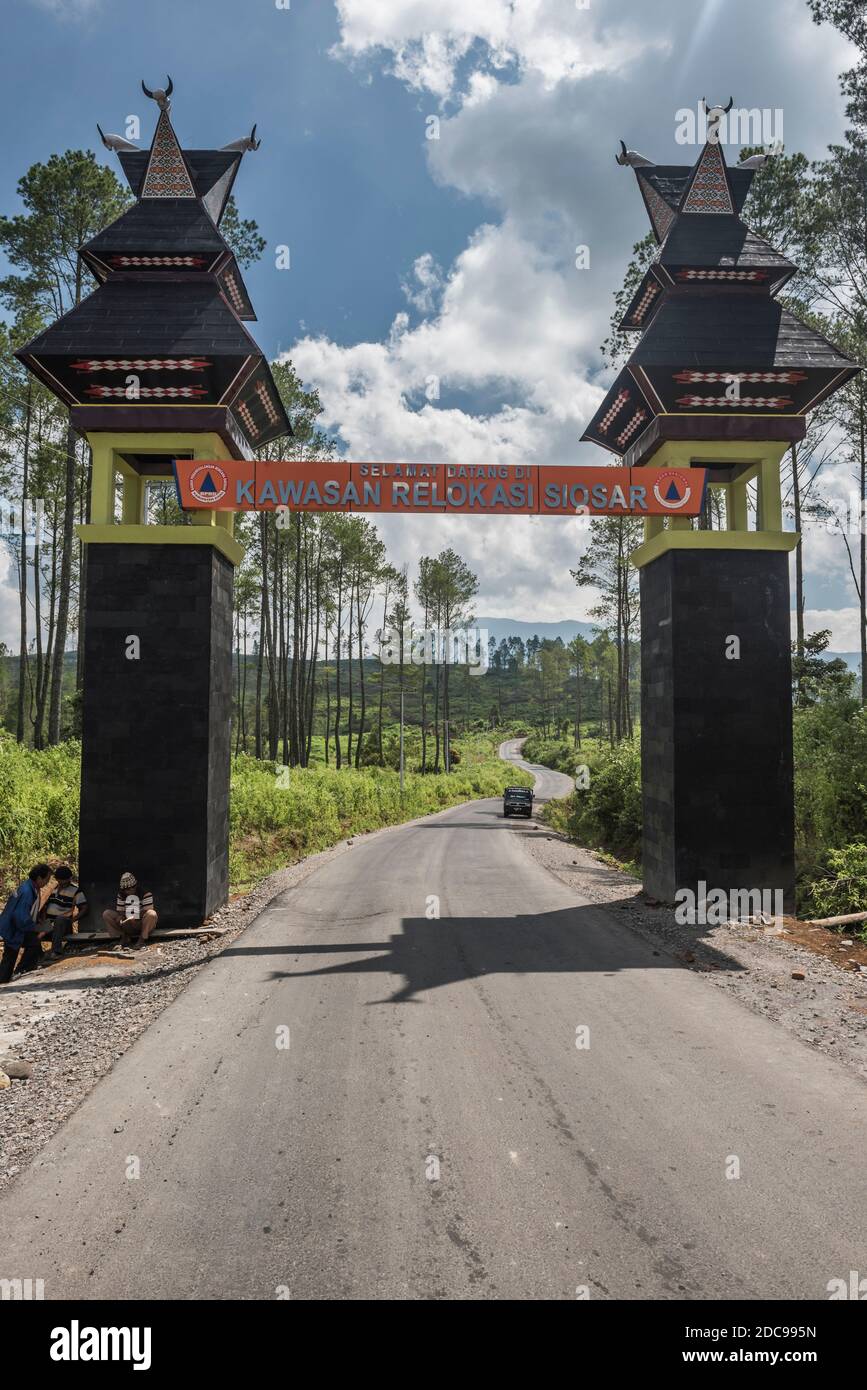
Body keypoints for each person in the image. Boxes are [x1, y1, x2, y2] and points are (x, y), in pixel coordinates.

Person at [0, 864, 52, 984]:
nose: (47, 883)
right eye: (46, 880)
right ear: (39, 878)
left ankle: (21, 970)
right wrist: (35, 927)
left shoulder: (28, 887)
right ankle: (19, 971)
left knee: (30, 945)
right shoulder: (27, 891)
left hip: (13, 925)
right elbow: (20, 916)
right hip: (14, 928)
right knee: (11, 954)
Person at [103, 872, 158, 950]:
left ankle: (141, 940)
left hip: (141, 924)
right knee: (107, 914)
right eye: (125, 890)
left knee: (152, 914)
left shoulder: (145, 893)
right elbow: (121, 911)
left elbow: (147, 910)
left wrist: (135, 917)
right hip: (128, 924)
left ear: (134, 887)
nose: (127, 892)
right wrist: (121, 917)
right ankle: (124, 937)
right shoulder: (121, 894)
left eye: (129, 889)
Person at [44, 866, 89, 958]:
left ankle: (56, 952)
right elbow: (45, 907)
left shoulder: (76, 891)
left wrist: (72, 920)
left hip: (63, 925)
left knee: (60, 919)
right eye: (59, 881)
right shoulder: (53, 889)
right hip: (48, 924)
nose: (62, 884)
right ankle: (37, 955)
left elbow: (84, 908)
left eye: (64, 882)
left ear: (69, 879)